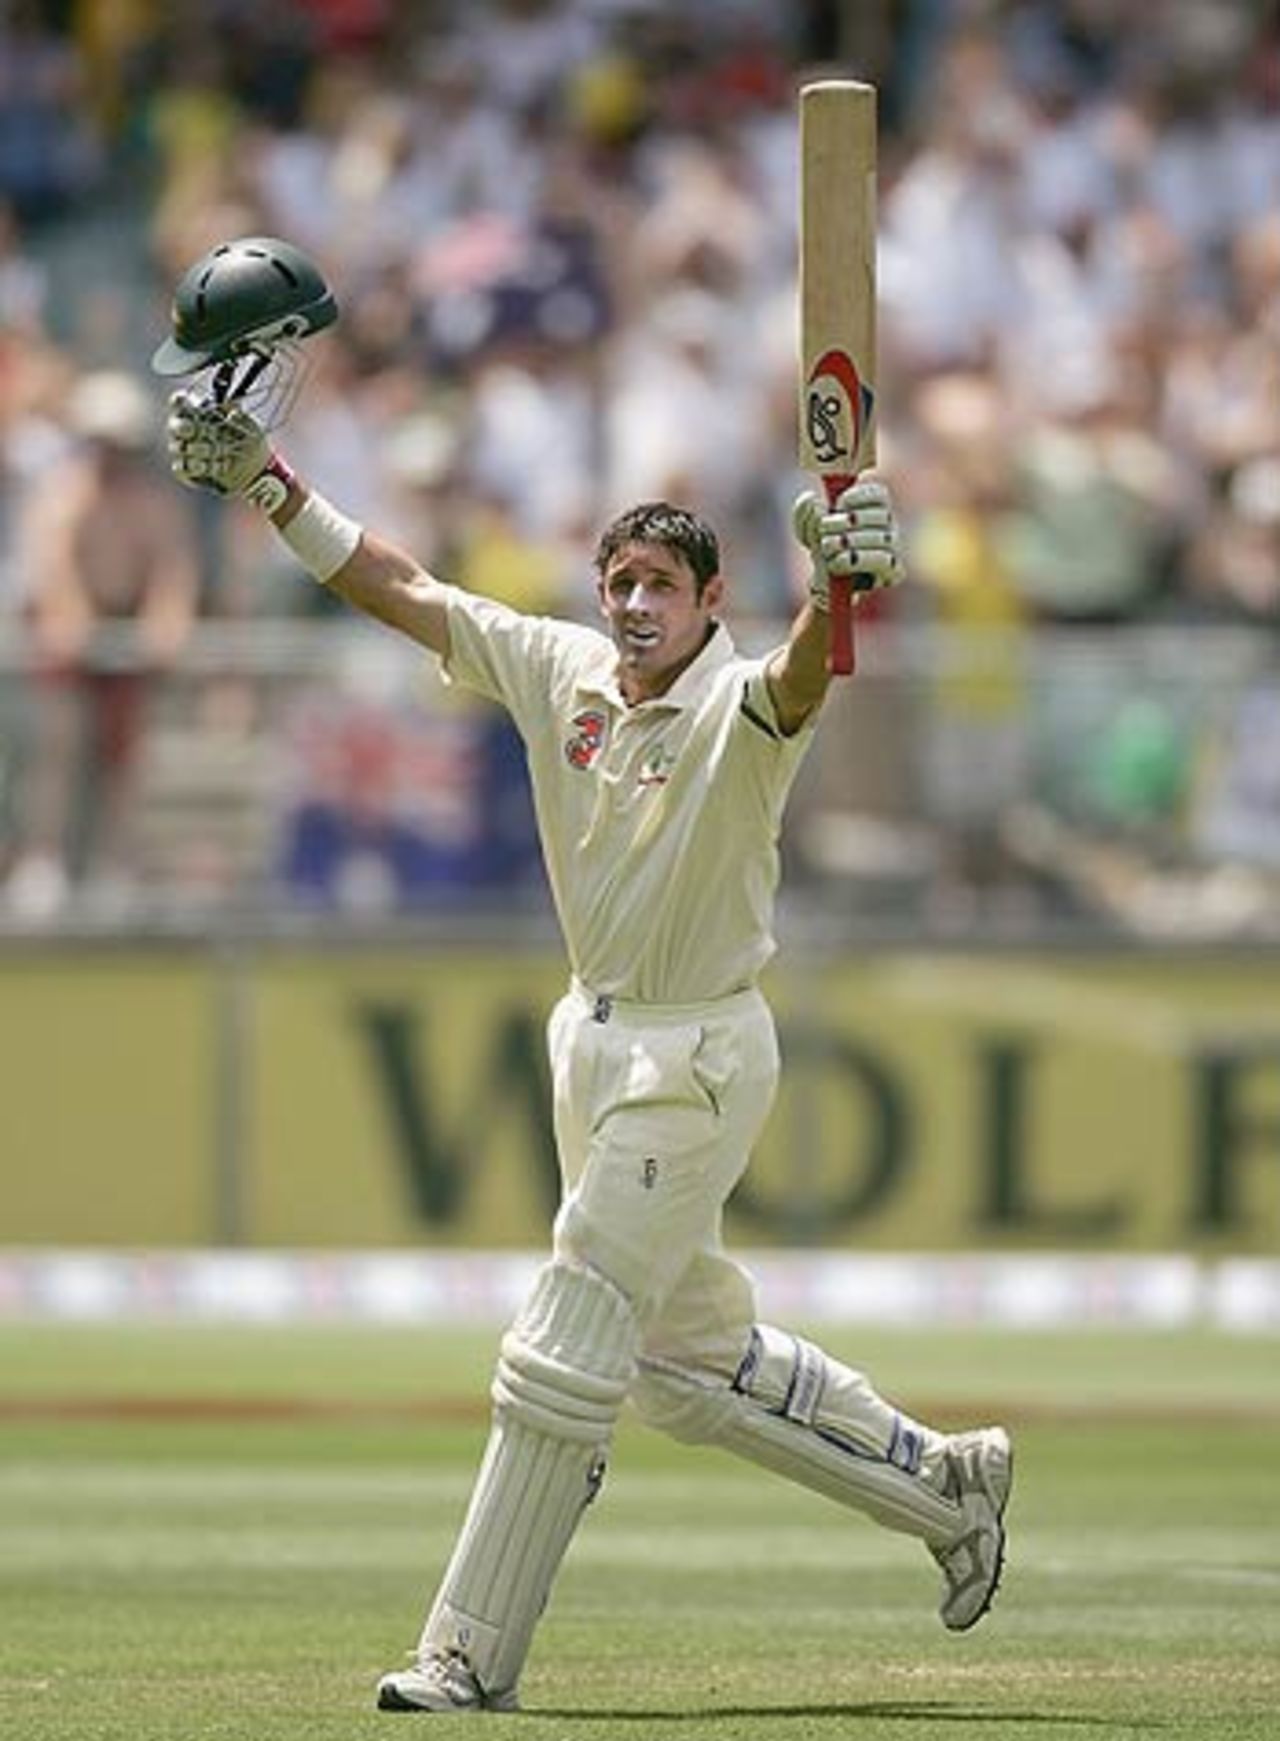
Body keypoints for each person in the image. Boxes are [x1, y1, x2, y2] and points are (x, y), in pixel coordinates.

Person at [165, 378, 1013, 1715]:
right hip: (595, 1041)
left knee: (563, 1339)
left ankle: (466, 1649)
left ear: (706, 603)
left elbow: (806, 672)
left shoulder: (742, 708)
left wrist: (841, 592)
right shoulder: (556, 666)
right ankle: (944, 1484)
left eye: (661, 583)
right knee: (683, 1364)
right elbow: (397, 586)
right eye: (618, 576)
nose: (631, 601)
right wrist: (272, 482)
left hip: (702, 1057)